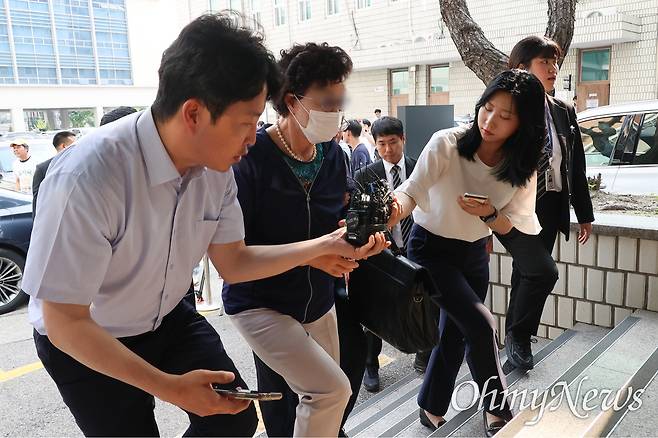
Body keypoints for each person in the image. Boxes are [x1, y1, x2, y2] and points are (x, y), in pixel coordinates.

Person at [21, 15, 377, 437]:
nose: (253, 138)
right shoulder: (88, 175)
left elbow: (235, 262)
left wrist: (322, 247)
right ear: (194, 113)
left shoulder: (217, 170)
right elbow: (65, 321)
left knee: (234, 419)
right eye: (245, 123)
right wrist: (169, 387)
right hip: (88, 336)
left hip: (168, 317)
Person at [224, 42, 388, 437]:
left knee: (328, 395)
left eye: (338, 103)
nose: (334, 113)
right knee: (325, 392)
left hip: (319, 300)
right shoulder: (250, 158)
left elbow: (340, 221)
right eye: (325, 102)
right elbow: (235, 254)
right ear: (290, 100)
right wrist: (314, 255)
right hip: (261, 302)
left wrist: (365, 239)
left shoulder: (333, 156)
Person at [389, 69, 546, 436]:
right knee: (480, 324)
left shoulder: (522, 167)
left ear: (523, 124)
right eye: (487, 108)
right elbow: (411, 191)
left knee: (456, 333)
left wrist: (489, 213)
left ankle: (430, 407)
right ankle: (497, 409)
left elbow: (514, 225)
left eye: (505, 116)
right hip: (430, 250)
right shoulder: (446, 143)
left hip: (475, 253)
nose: (490, 121)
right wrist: (390, 211)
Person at [506, 36, 593, 370]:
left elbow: (576, 165)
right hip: (518, 207)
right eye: (544, 62)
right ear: (522, 68)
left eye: (555, 62)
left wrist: (584, 214)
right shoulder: (507, 108)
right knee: (539, 271)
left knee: (526, 272)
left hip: (551, 204)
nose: (553, 68)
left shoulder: (563, 110)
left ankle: (515, 335)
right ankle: (519, 336)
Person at [353, 116, 429, 391]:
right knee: (376, 311)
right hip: (383, 252)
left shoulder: (420, 168)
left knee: (422, 305)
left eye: (393, 142)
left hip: (418, 247)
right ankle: (370, 366)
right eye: (381, 144)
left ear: (403, 139)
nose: (387, 149)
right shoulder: (365, 175)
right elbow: (359, 216)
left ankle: (423, 353)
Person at [32, 131, 76, 216]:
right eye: (74, 145)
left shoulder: (79, 165)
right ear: (64, 146)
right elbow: (37, 200)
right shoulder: (43, 168)